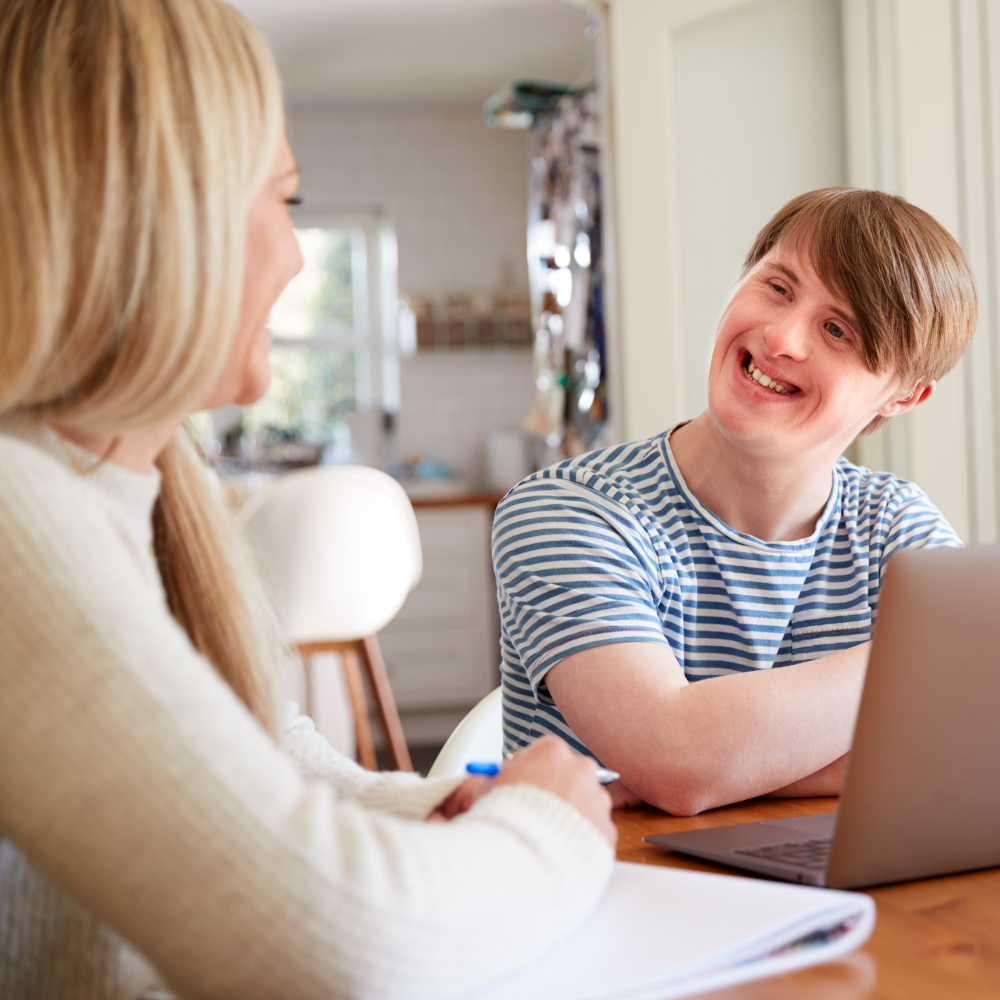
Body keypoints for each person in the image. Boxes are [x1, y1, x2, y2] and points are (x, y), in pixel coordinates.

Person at [0, 2, 617, 998]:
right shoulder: (16, 509)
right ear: (166, 223)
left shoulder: (146, 486)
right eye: (282, 200)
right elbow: (336, 940)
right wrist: (543, 821)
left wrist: (429, 809)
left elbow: (250, 755)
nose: (293, 255)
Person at [495, 187, 977, 817]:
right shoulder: (566, 513)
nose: (782, 337)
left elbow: (973, 744)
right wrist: (925, 658)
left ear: (903, 397)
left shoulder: (894, 525)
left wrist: (721, 771)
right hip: (610, 893)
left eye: (837, 329)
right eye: (778, 287)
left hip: (826, 894)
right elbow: (678, 761)